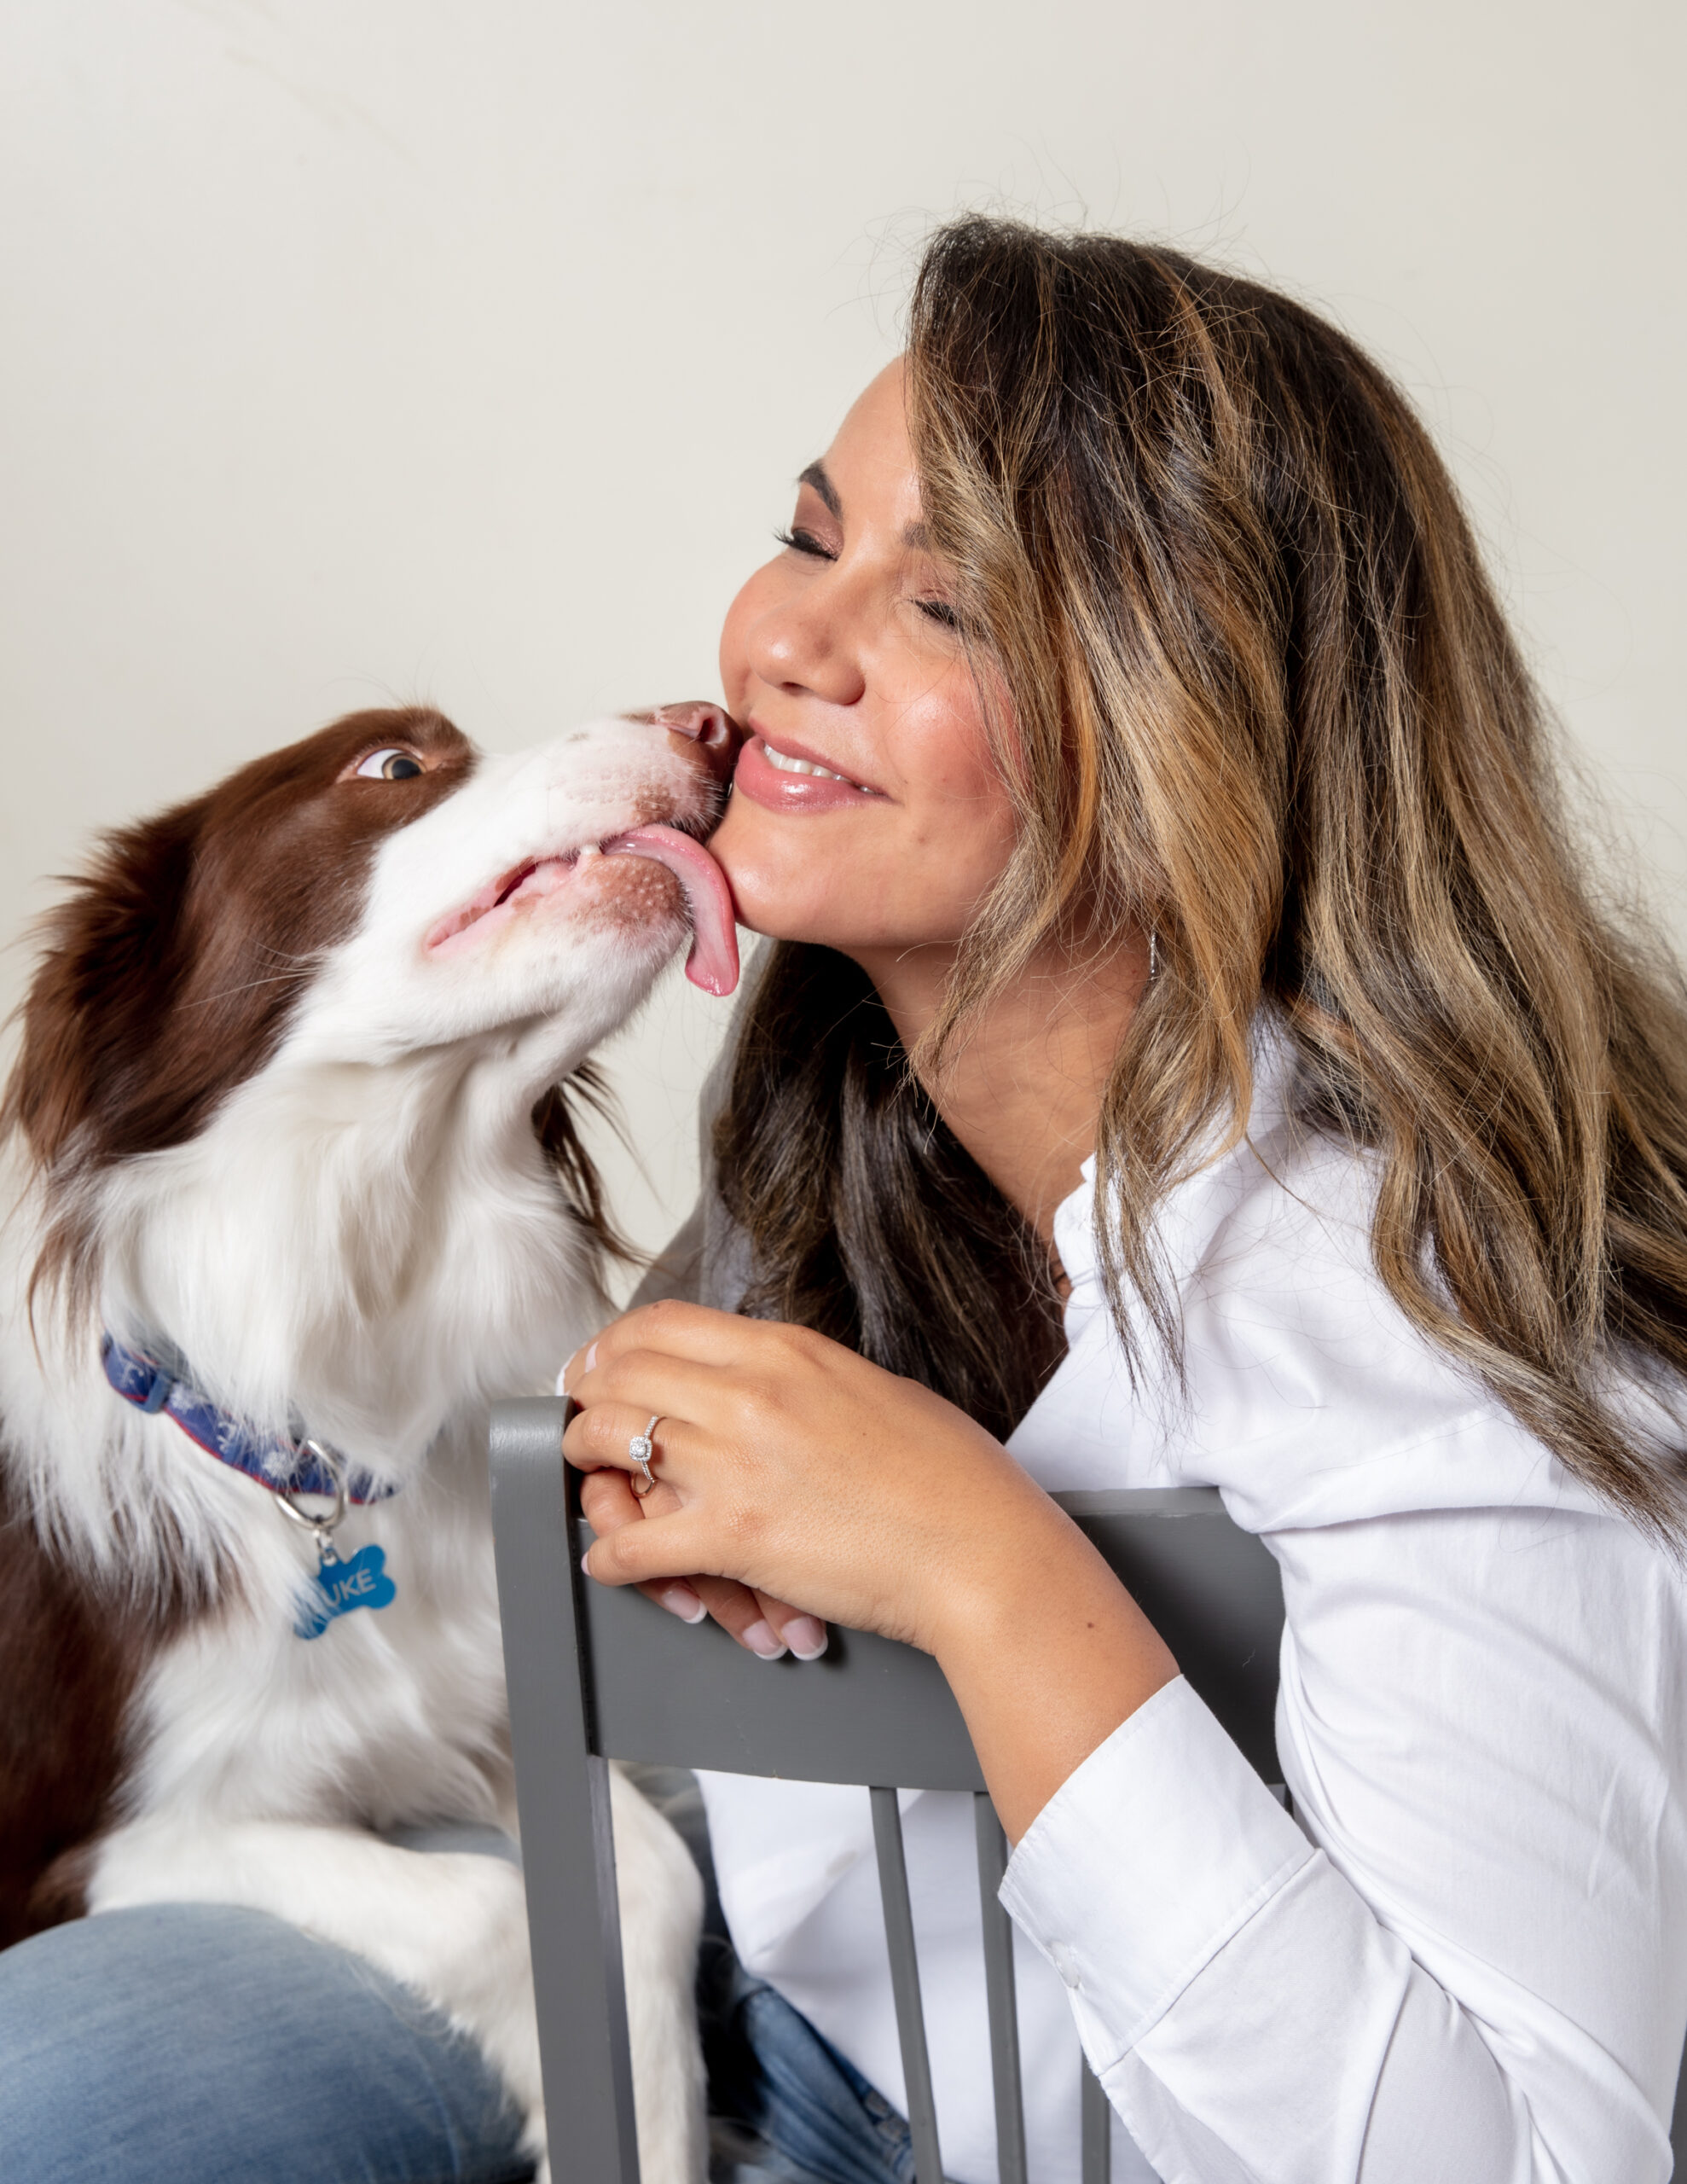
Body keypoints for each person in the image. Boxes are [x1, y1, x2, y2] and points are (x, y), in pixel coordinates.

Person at [559, 216, 1687, 2182]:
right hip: (804, 2032)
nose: (779, 643)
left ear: (1196, 734)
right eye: (813, 538)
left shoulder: (1404, 1302)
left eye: (953, 607)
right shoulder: (838, 1143)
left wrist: (972, 1565)